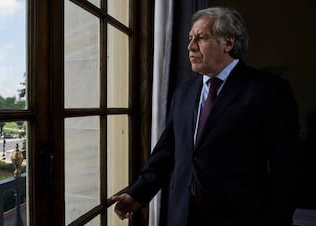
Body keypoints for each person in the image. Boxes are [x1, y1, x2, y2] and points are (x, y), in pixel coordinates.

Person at [110, 6, 300, 226]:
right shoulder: (183, 92)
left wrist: (276, 218)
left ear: (228, 43)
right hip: (182, 215)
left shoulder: (269, 90)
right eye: (190, 38)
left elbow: (287, 166)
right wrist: (137, 194)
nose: (190, 47)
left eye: (200, 38)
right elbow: (167, 150)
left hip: (243, 217)